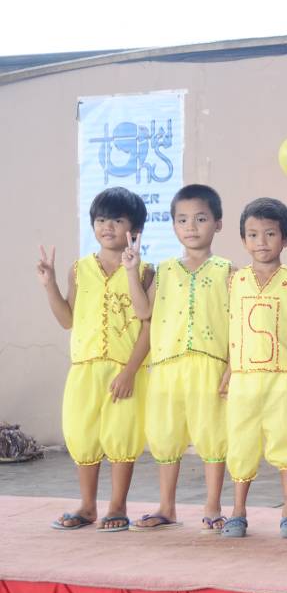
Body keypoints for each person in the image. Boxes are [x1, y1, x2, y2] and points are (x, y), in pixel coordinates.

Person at [39, 187, 151, 532]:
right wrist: (50, 284)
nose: (108, 227)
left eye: (118, 220)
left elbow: (148, 325)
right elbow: (67, 319)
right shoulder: (79, 269)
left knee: (121, 435)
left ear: (135, 229)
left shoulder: (146, 272)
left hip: (124, 369)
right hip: (85, 366)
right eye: (101, 219)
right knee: (82, 434)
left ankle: (117, 506)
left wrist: (130, 371)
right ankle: (87, 506)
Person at [123, 185, 232, 532]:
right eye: (182, 219)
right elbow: (145, 313)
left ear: (217, 223)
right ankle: (166, 506)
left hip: (209, 364)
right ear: (172, 226)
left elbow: (237, 324)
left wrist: (232, 366)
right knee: (165, 434)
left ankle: (213, 505)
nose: (191, 226)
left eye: (200, 218)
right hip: (167, 364)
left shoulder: (229, 271)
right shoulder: (165, 270)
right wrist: (131, 271)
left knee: (212, 435)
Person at [220, 198, 287, 539]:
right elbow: (231, 328)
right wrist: (230, 368)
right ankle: (238, 510)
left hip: (282, 378)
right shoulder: (234, 280)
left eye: (270, 234)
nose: (261, 242)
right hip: (244, 378)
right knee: (241, 441)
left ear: (286, 238)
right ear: (243, 239)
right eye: (253, 234)